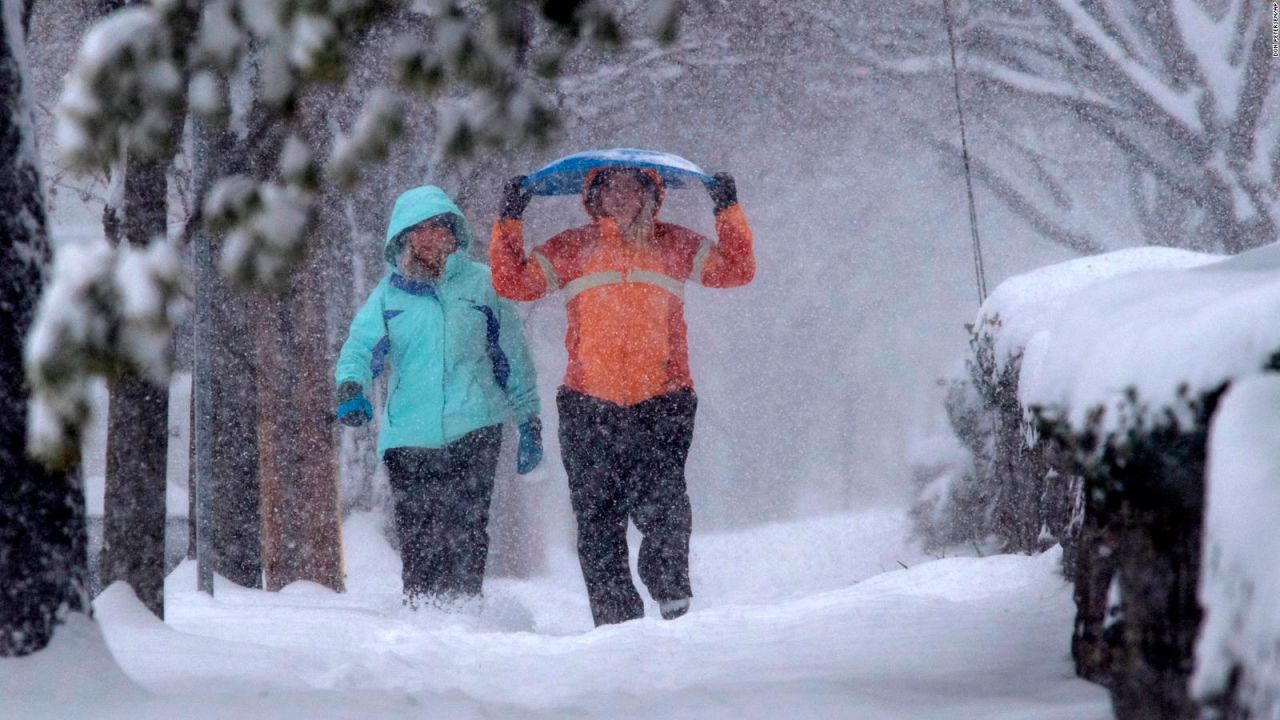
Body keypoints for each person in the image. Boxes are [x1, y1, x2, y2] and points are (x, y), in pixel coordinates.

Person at [489, 165, 755, 626]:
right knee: (597, 520)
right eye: (610, 188)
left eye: (633, 187)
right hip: (587, 403)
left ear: (651, 195)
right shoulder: (573, 248)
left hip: (663, 399)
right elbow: (513, 283)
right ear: (594, 197)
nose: (622, 196)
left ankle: (671, 591)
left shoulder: (672, 244)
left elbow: (736, 270)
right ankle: (616, 622)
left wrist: (726, 208)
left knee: (665, 502)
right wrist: (510, 219)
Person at [335, 185, 543, 607]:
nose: (430, 238)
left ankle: (466, 610)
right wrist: (352, 388)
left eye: (438, 228)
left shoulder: (484, 285)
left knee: (468, 526)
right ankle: (423, 612)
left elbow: (512, 358)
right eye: (419, 230)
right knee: (419, 529)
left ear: (454, 232)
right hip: (409, 434)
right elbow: (359, 347)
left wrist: (529, 421)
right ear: (404, 238)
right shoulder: (389, 294)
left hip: (475, 424)